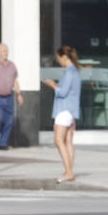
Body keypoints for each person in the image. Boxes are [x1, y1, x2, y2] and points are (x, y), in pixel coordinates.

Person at [44, 45, 82, 183]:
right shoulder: (76, 71)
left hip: (64, 109)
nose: (58, 61)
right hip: (71, 110)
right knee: (68, 141)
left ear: (64, 57)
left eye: (59, 58)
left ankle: (69, 172)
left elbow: (62, 92)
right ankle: (68, 170)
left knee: (59, 140)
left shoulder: (69, 72)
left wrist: (52, 84)